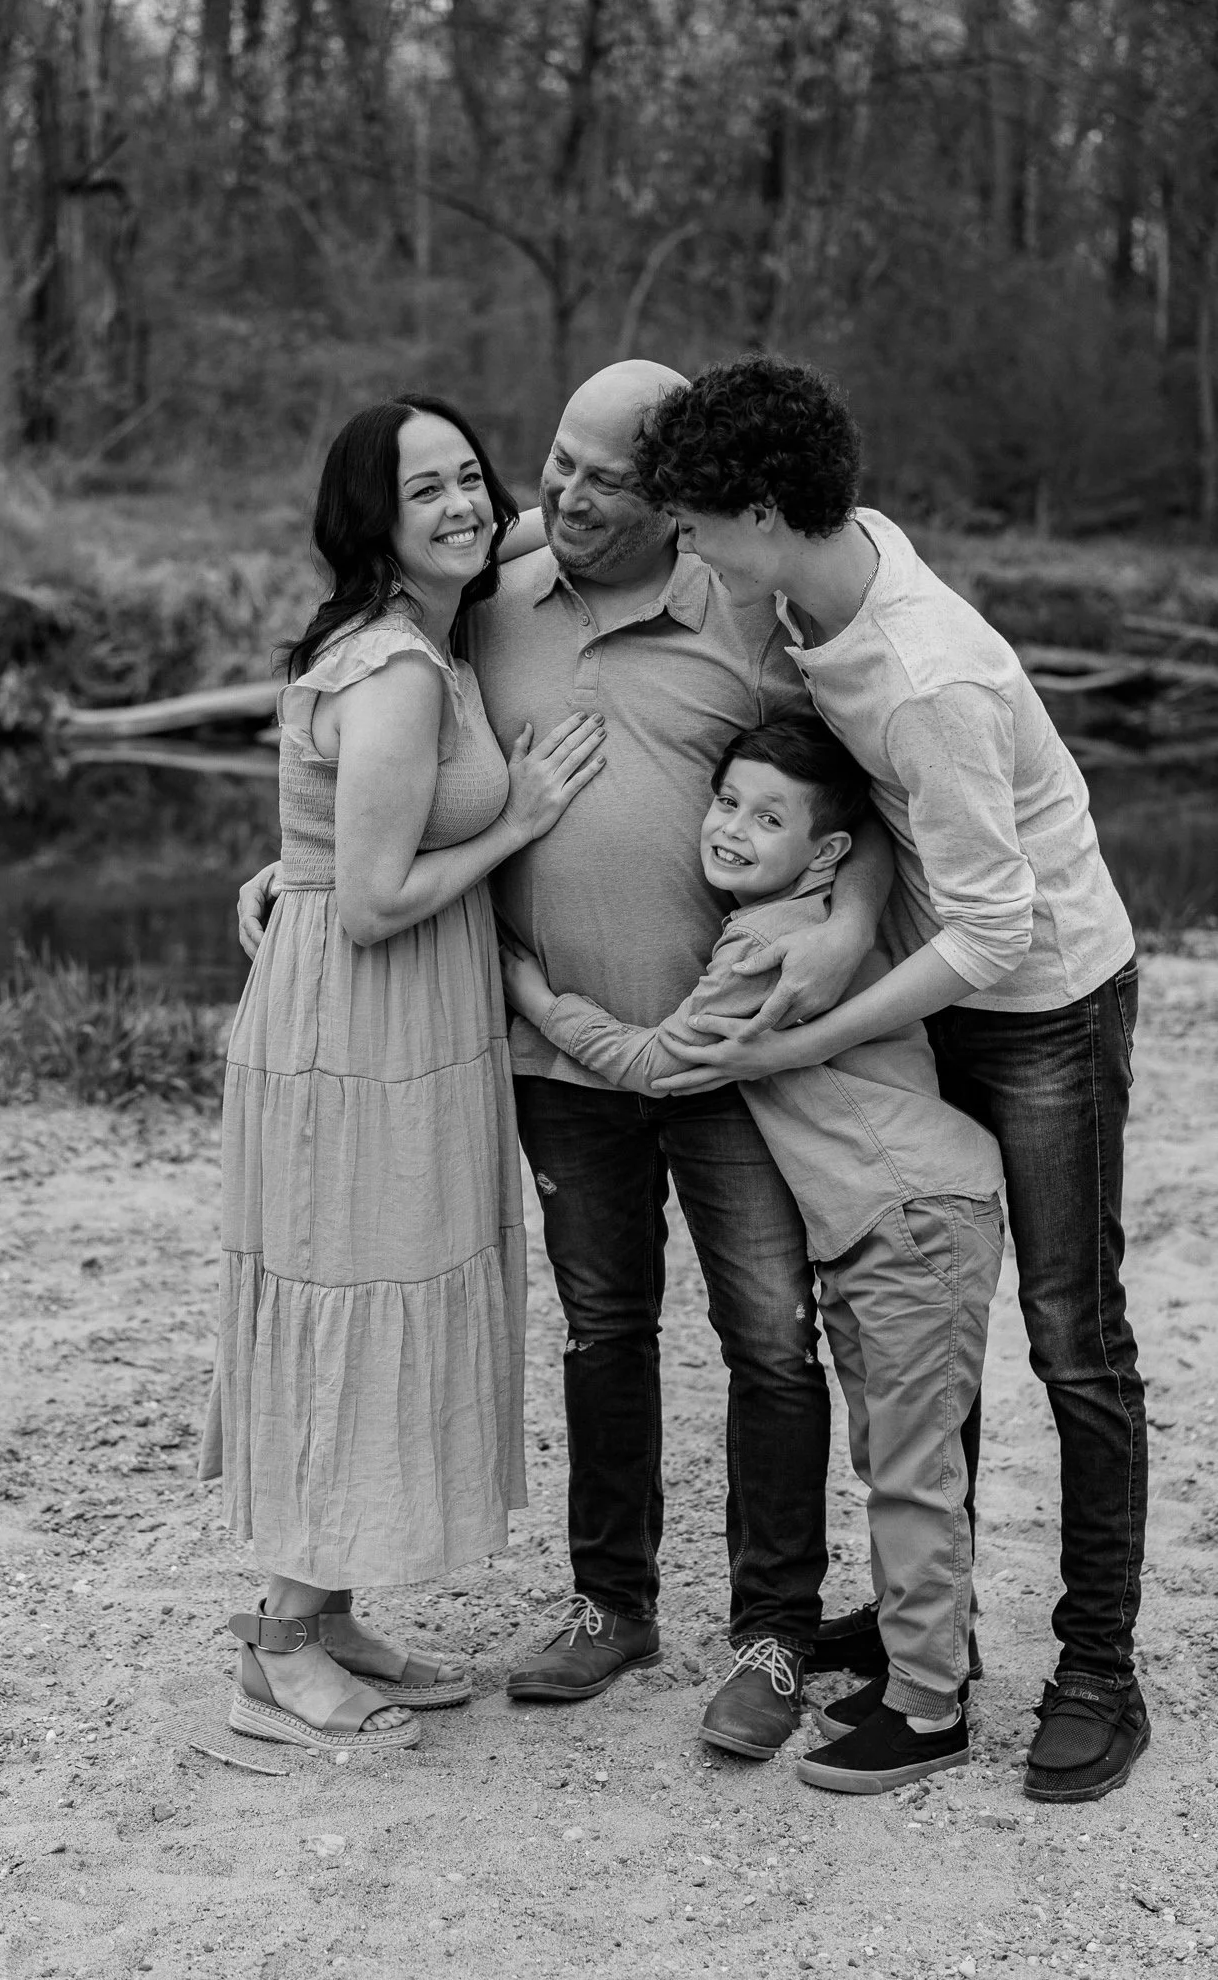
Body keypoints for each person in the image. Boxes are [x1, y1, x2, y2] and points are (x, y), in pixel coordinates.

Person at [241, 359, 896, 1761]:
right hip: (552, 1056)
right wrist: (295, 863)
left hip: (728, 1055)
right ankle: (612, 1606)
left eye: (612, 478)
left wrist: (845, 921)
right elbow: (380, 759)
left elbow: (866, 794)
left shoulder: (746, 614)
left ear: (678, 498)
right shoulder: (488, 597)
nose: (569, 496)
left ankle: (775, 1632)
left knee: (768, 1338)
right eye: (559, 463)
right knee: (604, 1331)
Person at [634, 354, 1147, 1805]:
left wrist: (801, 1036)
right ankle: (937, 1636)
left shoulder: (930, 677)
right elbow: (866, 817)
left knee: (1071, 1337)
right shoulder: (809, 593)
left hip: (1042, 1006)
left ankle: (1097, 1667)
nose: (684, 553)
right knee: (931, 1319)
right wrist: (849, 917)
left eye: (694, 526)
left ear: (760, 512)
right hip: (934, 983)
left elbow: (999, 926)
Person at [201, 393, 606, 1755]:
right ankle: (276, 1647)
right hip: (360, 1024)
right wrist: (522, 821)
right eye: (423, 489)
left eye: (471, 477)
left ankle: (327, 1617)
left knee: (378, 1284)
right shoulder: (395, 669)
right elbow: (373, 902)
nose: (462, 505)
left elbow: (544, 520)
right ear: (370, 519)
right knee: (351, 1298)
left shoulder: (431, 626)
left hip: (397, 1019)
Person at [500, 711, 1005, 1792]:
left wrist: (534, 996)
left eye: (767, 817)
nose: (730, 826)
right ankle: (918, 1665)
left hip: (907, 1210)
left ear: (822, 851)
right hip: (878, 1215)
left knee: (903, 1461)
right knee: (896, 1456)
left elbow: (660, 1062)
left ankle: (924, 1705)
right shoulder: (792, 915)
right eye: (725, 801)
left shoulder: (766, 944)